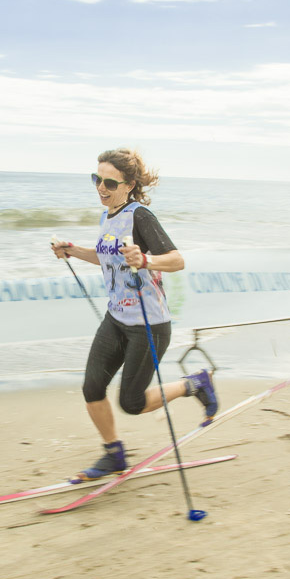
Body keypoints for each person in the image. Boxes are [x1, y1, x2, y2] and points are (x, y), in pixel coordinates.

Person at [51, 148, 218, 482]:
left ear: (128, 185)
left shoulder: (140, 216)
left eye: (110, 182)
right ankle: (114, 454)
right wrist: (72, 250)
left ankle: (194, 384)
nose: (101, 187)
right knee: (92, 388)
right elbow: (107, 258)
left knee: (131, 402)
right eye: (96, 179)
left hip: (149, 325)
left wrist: (146, 261)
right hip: (116, 319)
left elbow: (175, 260)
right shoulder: (108, 215)